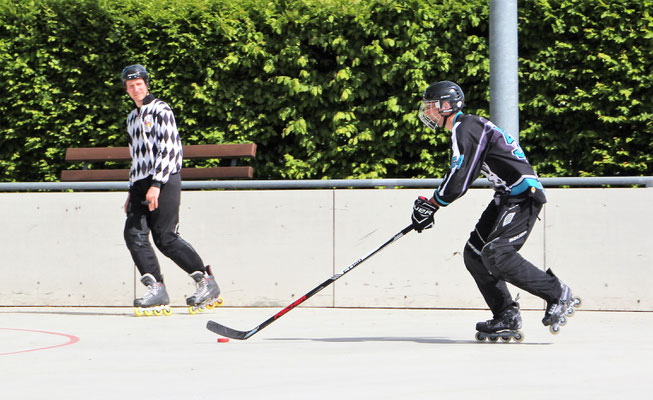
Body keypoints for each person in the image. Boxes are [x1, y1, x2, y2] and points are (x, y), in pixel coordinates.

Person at [410, 80, 580, 341]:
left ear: (447, 105)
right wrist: (434, 203)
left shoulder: (465, 126)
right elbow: (461, 172)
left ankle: (557, 293)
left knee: (496, 253)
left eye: (431, 105)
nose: (427, 111)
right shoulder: (467, 128)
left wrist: (433, 204)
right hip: (506, 197)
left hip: (523, 195)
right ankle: (505, 315)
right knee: (475, 255)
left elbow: (460, 176)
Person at [121, 64, 221, 316]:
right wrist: (131, 190)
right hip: (140, 183)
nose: (135, 89)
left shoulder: (161, 109)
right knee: (133, 234)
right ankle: (156, 288)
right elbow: (136, 157)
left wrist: (156, 184)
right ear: (126, 89)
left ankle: (205, 282)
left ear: (146, 84)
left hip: (164, 179)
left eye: (139, 84)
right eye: (131, 86)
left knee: (165, 237)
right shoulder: (131, 118)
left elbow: (170, 148)